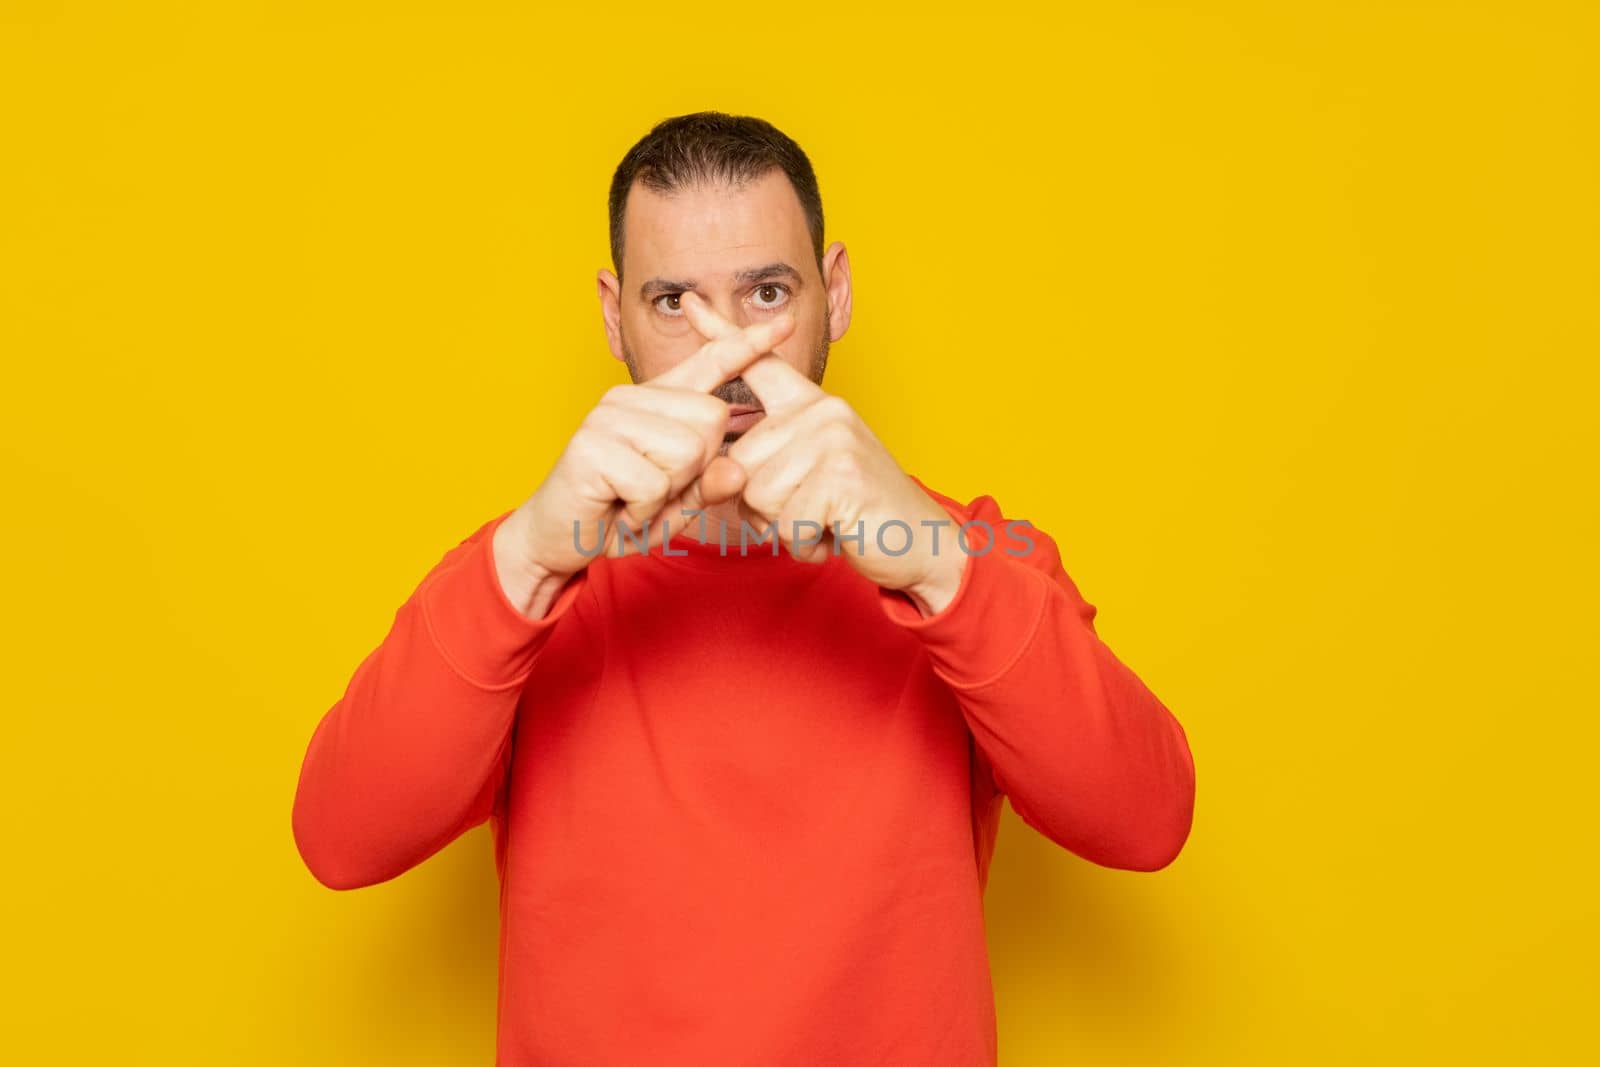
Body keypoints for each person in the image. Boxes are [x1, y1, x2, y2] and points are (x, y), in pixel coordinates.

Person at [292, 110, 1196, 1066]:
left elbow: (1144, 818)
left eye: (766, 292)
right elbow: (342, 840)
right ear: (613, 316)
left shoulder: (969, 554)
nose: (724, 356)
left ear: (835, 294)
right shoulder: (522, 572)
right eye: (673, 302)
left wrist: (932, 558)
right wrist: (526, 559)